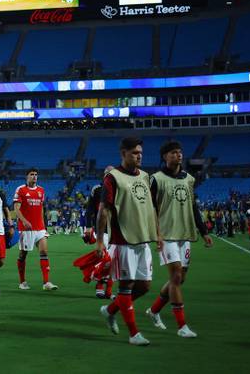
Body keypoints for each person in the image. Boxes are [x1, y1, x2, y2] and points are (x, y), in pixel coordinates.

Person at [96, 137, 162, 347]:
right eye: (134, 152)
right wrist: (99, 241)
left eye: (140, 152)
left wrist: (158, 233)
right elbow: (103, 210)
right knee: (126, 287)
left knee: (144, 286)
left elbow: (151, 207)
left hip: (143, 240)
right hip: (122, 240)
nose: (139, 156)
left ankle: (110, 310)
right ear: (123, 153)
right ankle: (134, 333)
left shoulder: (145, 176)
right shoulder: (112, 178)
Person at [145, 141, 212, 339]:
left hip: (185, 235)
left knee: (180, 279)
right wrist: (155, 233)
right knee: (175, 277)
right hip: (166, 235)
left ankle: (154, 310)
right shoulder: (155, 179)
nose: (178, 155)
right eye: (173, 152)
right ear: (165, 156)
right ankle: (182, 326)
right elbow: (151, 209)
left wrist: (204, 231)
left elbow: (193, 208)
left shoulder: (189, 179)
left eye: (180, 152)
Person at [14, 168, 58, 291]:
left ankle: (46, 282)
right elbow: (16, 208)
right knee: (23, 254)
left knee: (44, 252)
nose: (34, 177)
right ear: (26, 176)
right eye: (32, 174)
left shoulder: (41, 190)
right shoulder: (21, 190)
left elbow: (41, 209)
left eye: (36, 175)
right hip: (26, 229)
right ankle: (22, 282)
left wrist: (44, 226)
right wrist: (23, 220)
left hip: (39, 228)